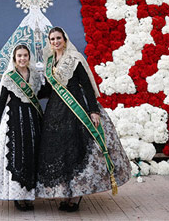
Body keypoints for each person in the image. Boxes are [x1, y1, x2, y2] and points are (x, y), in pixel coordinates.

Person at [36, 27, 131, 212]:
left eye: (58, 38)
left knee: (75, 150)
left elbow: (86, 85)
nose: (55, 41)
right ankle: (65, 193)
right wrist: (31, 90)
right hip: (55, 112)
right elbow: (48, 90)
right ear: (50, 42)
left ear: (65, 39)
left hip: (75, 109)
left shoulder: (75, 59)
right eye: (52, 39)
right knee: (60, 152)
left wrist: (93, 111)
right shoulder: (49, 62)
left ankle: (76, 195)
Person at [0, 45, 43, 211]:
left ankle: (29, 195)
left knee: (31, 155)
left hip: (31, 120)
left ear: (29, 57)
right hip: (14, 120)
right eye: (19, 56)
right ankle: (17, 195)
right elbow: (0, 102)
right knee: (17, 156)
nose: (22, 58)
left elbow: (41, 94)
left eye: (25, 55)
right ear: (14, 58)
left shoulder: (35, 75)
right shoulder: (10, 77)